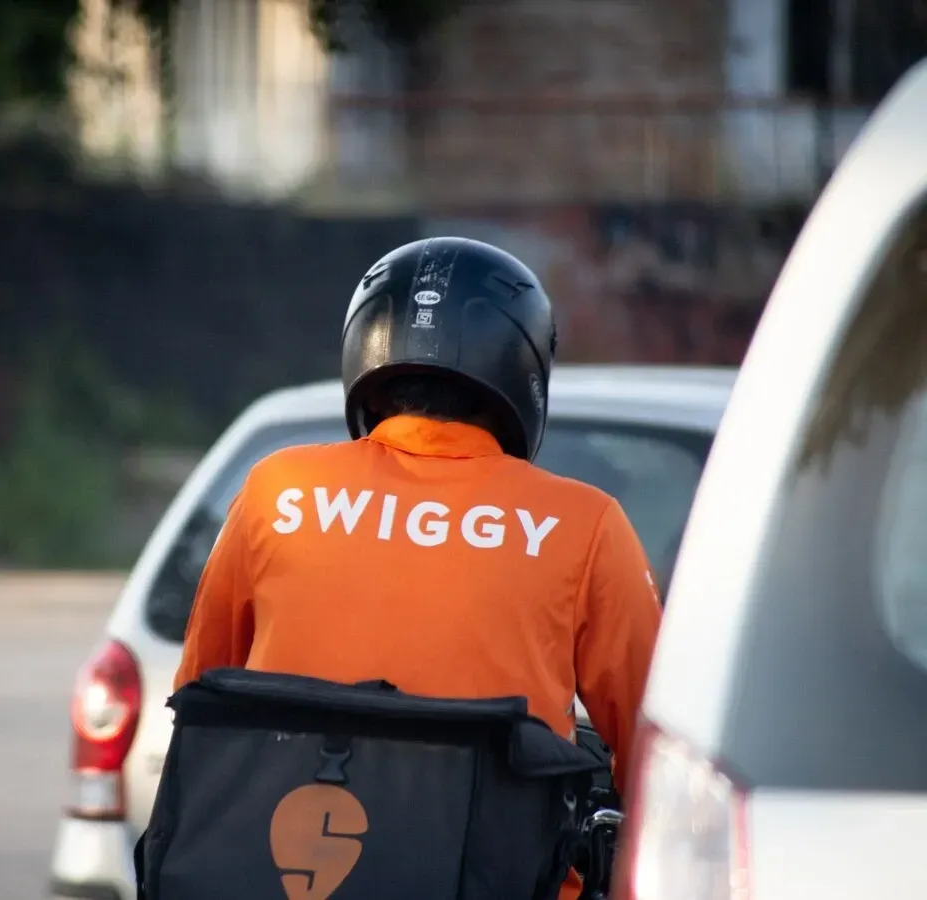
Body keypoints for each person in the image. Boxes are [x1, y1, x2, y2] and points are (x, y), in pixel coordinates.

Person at [173, 236, 662, 899]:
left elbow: (204, 703)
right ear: (522, 367)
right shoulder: (584, 524)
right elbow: (658, 753)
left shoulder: (276, 491)